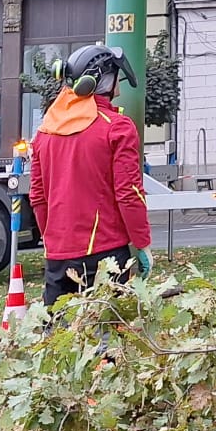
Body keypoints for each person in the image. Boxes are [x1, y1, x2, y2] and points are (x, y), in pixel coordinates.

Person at [28, 44, 154, 304]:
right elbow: (129, 194)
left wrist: (54, 238)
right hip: (106, 255)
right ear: (105, 80)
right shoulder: (117, 128)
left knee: (58, 337)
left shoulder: (45, 131)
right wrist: (142, 243)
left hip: (58, 257)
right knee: (109, 336)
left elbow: (38, 198)